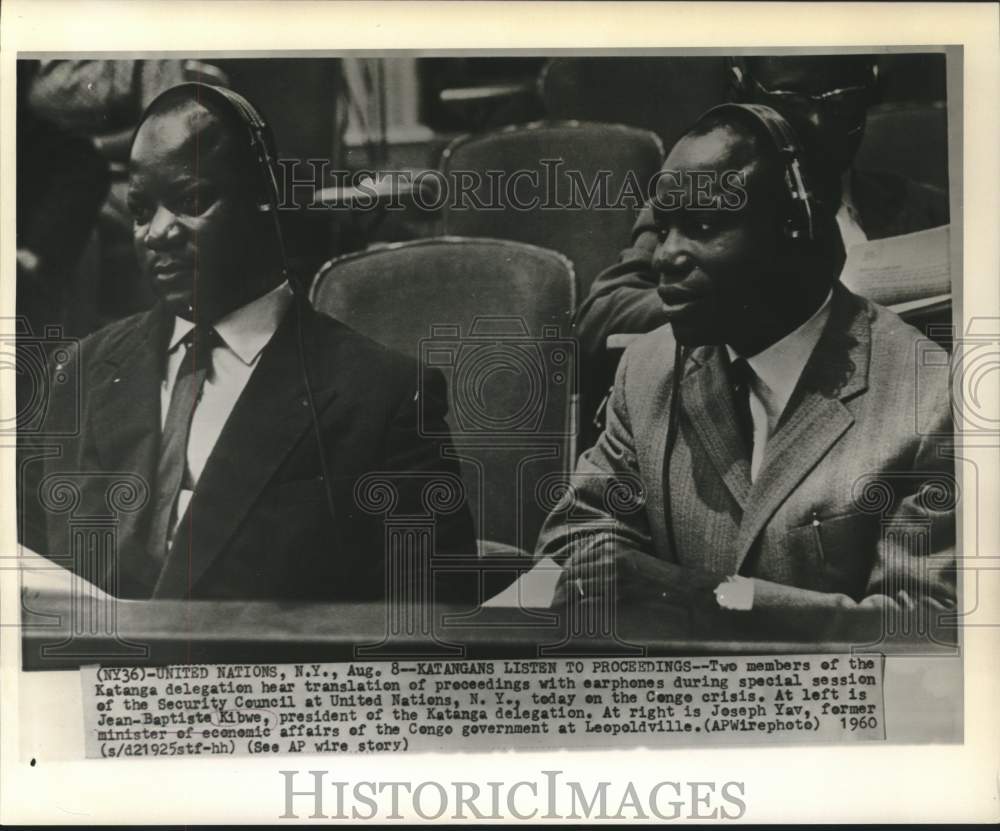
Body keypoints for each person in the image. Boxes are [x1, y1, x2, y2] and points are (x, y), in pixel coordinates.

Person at [20, 83, 476, 603]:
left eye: (191, 201)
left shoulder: (384, 397)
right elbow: (33, 584)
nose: (157, 233)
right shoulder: (79, 372)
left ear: (266, 200)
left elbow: (429, 627)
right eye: (143, 210)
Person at [535, 104, 955, 613]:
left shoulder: (929, 400)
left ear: (795, 232)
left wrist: (699, 597)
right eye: (665, 228)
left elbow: (926, 624)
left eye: (705, 226)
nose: (667, 256)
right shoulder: (649, 367)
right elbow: (576, 533)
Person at [575, 54, 950, 391]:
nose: (817, 123)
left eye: (841, 100)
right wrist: (741, 298)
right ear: (742, 91)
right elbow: (602, 316)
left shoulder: (925, 208)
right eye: (791, 101)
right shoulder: (693, 208)